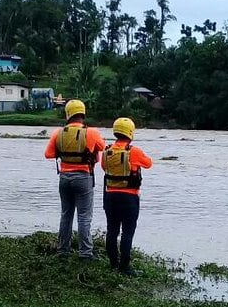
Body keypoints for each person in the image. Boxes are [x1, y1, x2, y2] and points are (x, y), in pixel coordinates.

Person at [44, 99, 105, 259]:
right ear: (82, 114)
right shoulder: (91, 132)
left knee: (66, 214)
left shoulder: (59, 133)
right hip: (83, 177)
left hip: (64, 178)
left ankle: (63, 250)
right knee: (84, 216)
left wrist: (63, 151)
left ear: (68, 114)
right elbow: (102, 147)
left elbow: (48, 154)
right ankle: (85, 253)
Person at [101, 117, 153, 276]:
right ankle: (125, 267)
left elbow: (104, 167)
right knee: (127, 232)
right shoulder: (134, 151)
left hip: (110, 197)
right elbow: (149, 163)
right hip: (129, 199)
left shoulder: (106, 150)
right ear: (130, 132)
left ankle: (113, 264)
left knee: (112, 230)